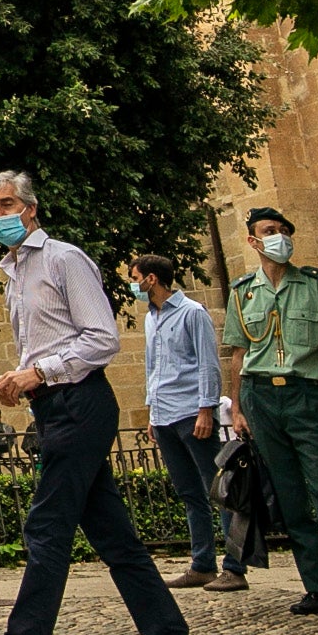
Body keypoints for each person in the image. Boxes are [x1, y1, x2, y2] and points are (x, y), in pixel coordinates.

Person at [0, 172, 200, 635]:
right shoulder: (14, 271)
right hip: (55, 405)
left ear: (31, 208)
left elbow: (101, 339)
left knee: (46, 528)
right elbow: (51, 343)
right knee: (117, 540)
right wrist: (19, 378)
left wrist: (38, 373)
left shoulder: (64, 259)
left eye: (7, 205)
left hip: (79, 405)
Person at [223, 206, 318, 622]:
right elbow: (238, 353)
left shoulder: (315, 285)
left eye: (283, 230)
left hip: (306, 396)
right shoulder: (242, 290)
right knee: (290, 499)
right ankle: (317, 588)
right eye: (269, 231)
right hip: (260, 398)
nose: (279, 237)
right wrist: (237, 408)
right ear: (253, 241)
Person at [130, 254, 244, 593]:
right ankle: (202, 564)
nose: (133, 284)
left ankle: (234, 567)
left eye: (135, 277)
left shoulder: (193, 312)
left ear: (151, 279)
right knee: (189, 492)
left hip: (191, 413)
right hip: (165, 414)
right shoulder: (151, 318)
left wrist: (206, 409)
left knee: (218, 491)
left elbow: (208, 363)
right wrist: (152, 413)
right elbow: (153, 367)